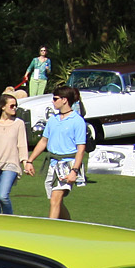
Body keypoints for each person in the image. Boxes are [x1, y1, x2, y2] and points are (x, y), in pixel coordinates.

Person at [31, 85, 89, 220]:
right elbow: (44, 141)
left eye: (55, 98)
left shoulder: (78, 121)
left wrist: (74, 171)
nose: (53, 101)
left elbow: (81, 149)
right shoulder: (53, 119)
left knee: (55, 199)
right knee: (56, 200)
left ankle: (49, 231)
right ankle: (69, 225)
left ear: (64, 100)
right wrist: (30, 160)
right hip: (52, 164)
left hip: (68, 165)